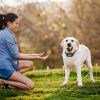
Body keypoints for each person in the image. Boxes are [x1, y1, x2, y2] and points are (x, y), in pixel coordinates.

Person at [0, 13, 48, 90]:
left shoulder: (7, 33)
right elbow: (17, 56)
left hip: (10, 63)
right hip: (5, 67)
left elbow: (15, 54)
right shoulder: (7, 36)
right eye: (16, 23)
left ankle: (11, 78)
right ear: (9, 23)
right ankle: (4, 81)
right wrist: (36, 58)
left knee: (30, 64)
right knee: (30, 86)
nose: (17, 25)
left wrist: (34, 55)